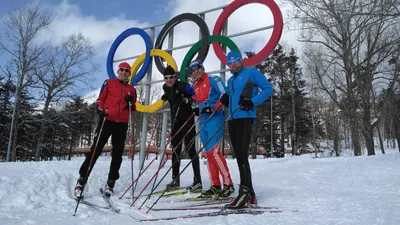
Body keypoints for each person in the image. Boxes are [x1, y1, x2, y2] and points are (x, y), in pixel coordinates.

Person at [74, 62, 137, 198]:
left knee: (117, 154)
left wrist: (130, 102)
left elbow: (133, 108)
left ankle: (111, 183)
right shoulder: (109, 83)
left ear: (129, 73)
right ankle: (81, 181)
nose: (124, 72)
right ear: (118, 71)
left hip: (122, 123)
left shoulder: (132, 89)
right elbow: (100, 100)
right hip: (107, 120)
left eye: (127, 71)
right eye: (122, 70)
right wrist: (100, 110)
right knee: (96, 149)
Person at [220, 51, 274, 209]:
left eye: (235, 60)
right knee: (239, 156)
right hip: (232, 119)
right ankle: (249, 193)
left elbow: (268, 89)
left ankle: (244, 193)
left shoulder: (250, 72)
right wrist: (225, 99)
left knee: (243, 154)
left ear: (240, 60)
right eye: (230, 62)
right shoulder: (231, 80)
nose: (233, 64)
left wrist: (252, 102)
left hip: (245, 117)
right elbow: (231, 96)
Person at [189, 59, 234, 198]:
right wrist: (196, 108)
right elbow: (195, 103)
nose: (195, 71)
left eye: (197, 68)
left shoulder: (213, 79)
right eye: (193, 69)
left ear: (202, 68)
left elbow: (225, 95)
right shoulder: (195, 85)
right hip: (203, 121)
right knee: (208, 154)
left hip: (215, 118)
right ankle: (215, 185)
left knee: (215, 152)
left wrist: (215, 107)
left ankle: (228, 184)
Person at [161, 65, 202, 191]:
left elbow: (196, 97)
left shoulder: (184, 86)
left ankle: (197, 180)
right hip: (175, 122)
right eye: (166, 78)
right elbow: (171, 96)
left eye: (171, 77)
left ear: (175, 77)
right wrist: (166, 96)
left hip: (187, 120)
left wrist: (189, 100)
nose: (169, 80)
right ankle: (175, 179)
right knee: (175, 150)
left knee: (190, 149)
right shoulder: (165, 87)